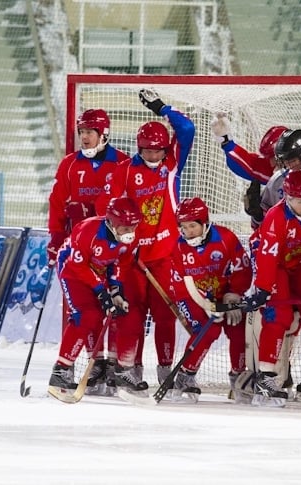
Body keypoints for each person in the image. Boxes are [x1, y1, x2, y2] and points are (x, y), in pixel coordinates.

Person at [99, 88, 195, 390]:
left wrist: (161, 108)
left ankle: (166, 370)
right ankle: (130, 368)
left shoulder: (172, 164)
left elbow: (187, 128)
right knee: (131, 315)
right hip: (131, 259)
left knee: (166, 317)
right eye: (147, 151)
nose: (153, 156)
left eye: (158, 151)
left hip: (165, 255)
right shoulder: (124, 172)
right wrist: (124, 244)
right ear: (138, 148)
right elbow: (111, 213)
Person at [46, 108, 130, 394]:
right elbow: (57, 203)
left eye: (89, 132)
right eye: (81, 132)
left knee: (113, 308)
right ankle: (92, 362)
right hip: (80, 248)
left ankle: (113, 364)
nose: (84, 137)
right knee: (88, 309)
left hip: (110, 247)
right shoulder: (70, 164)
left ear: (103, 134)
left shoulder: (122, 163)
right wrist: (56, 238)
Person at [242, 169, 301, 408]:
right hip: (274, 263)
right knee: (278, 315)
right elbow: (268, 256)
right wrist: (262, 289)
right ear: (287, 197)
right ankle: (266, 377)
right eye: (299, 200)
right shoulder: (276, 217)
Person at [47, 197, 143, 399]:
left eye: (133, 226)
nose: (130, 232)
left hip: (99, 270)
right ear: (112, 223)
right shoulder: (88, 230)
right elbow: (78, 265)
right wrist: (100, 290)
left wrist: (116, 290)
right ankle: (61, 370)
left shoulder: (131, 236)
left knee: (120, 313)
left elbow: (121, 264)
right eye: (125, 228)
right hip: (72, 271)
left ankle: (109, 368)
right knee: (86, 315)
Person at [167, 197, 253, 402]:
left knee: (238, 326)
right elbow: (180, 285)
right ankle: (185, 377)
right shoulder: (177, 248)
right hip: (191, 297)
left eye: (193, 226)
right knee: (208, 329)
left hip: (225, 295)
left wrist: (234, 294)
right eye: (184, 227)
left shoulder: (226, 238)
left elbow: (243, 268)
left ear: (204, 222)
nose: (188, 232)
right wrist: (205, 304)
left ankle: (238, 377)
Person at [211, 115, 287, 225]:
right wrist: (226, 141)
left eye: (272, 158)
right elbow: (249, 164)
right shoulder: (272, 169)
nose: (269, 163)